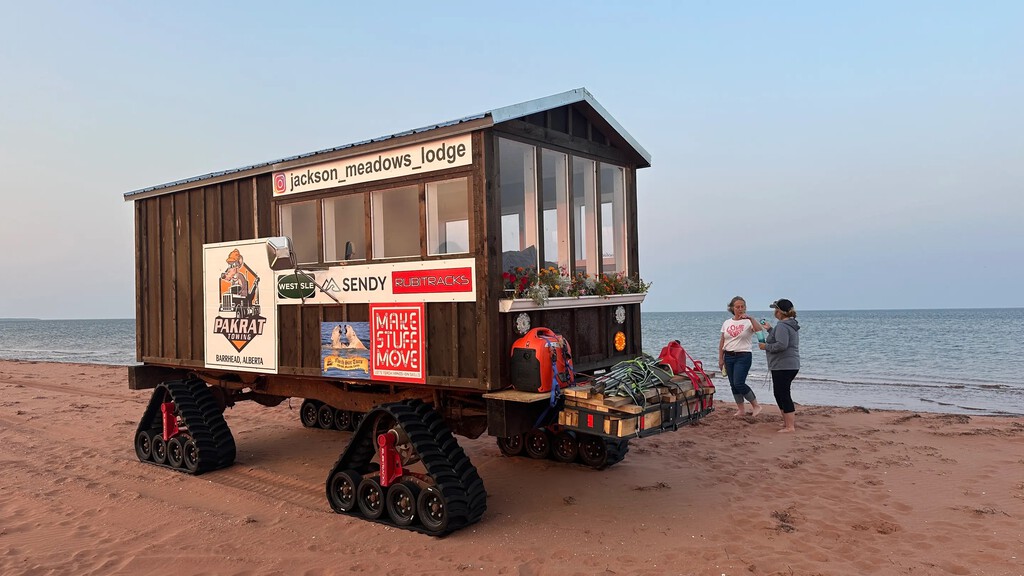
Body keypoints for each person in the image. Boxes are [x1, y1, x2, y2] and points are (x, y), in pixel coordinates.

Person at [759, 298, 801, 433]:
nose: (774, 312)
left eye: (775, 309)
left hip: (784, 366)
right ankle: (787, 423)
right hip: (788, 365)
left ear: (780, 312)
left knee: (783, 394)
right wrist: (770, 329)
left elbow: (782, 345)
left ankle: (790, 426)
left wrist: (766, 346)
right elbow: (781, 338)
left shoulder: (783, 326)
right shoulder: (789, 324)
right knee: (779, 393)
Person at [718, 296, 764, 418]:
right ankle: (741, 409)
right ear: (732, 308)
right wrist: (721, 358)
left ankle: (756, 405)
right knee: (733, 384)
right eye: (737, 307)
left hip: (743, 356)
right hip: (728, 356)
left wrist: (751, 318)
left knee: (739, 383)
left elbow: (759, 331)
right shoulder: (727, 323)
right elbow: (722, 341)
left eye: (742, 306)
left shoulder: (748, 322)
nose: (740, 309)